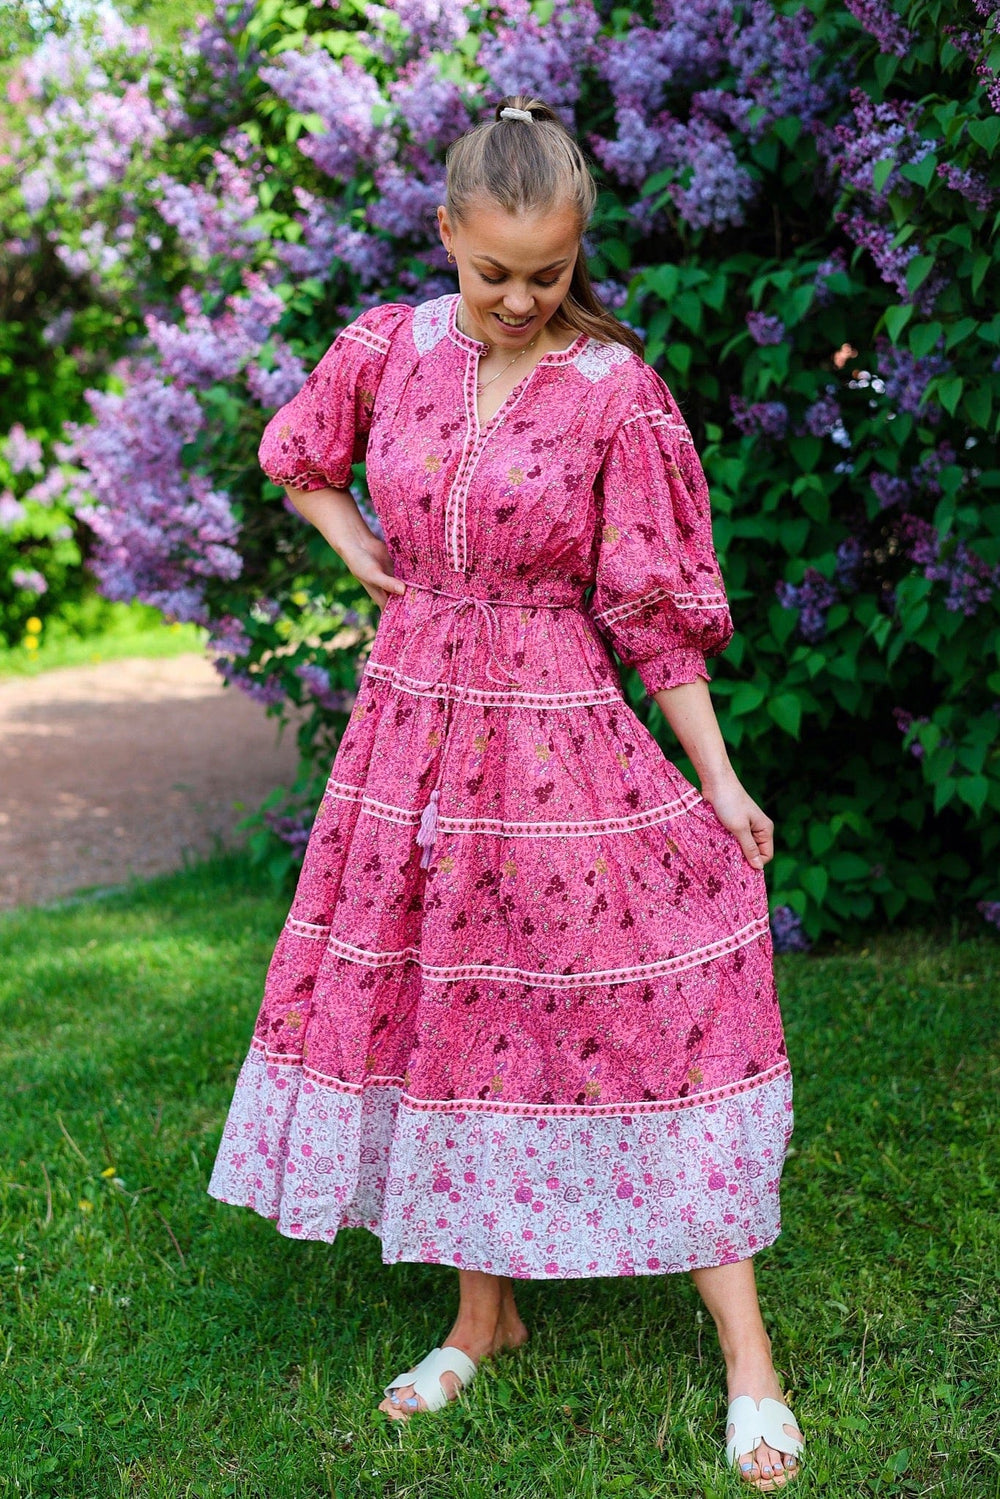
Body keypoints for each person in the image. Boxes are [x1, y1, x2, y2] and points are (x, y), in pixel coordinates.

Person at [207, 93, 804, 1492]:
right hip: (413, 734)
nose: (525, 299)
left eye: (550, 273)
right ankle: (487, 1314)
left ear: (577, 249)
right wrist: (353, 542)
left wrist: (717, 780)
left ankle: (750, 1358)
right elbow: (293, 452)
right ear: (448, 239)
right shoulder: (389, 347)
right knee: (446, 1006)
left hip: (556, 739)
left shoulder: (616, 390)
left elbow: (655, 612)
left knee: (648, 1000)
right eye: (496, 273)